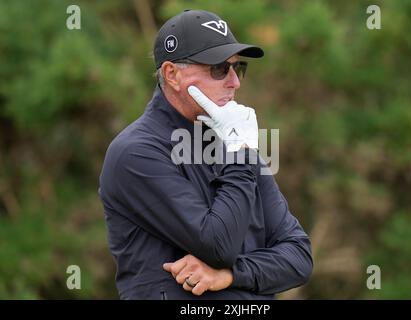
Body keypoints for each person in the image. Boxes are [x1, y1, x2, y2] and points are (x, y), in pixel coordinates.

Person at [99, 9, 313, 300]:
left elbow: (299, 257)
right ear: (172, 74)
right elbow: (218, 245)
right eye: (219, 69)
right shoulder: (135, 153)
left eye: (238, 68)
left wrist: (230, 275)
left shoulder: (235, 142)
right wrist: (240, 154)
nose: (234, 82)